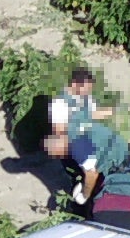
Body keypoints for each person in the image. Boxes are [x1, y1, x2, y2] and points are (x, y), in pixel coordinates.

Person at [70, 116, 130, 231]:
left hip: (115, 164)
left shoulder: (77, 142)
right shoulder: (90, 127)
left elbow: (92, 174)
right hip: (120, 157)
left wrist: (84, 196)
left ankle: (88, 216)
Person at [41, 65, 110, 209]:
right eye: (85, 89)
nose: (88, 93)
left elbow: (93, 115)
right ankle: (81, 202)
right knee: (84, 177)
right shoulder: (60, 104)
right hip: (73, 147)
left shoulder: (85, 98)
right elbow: (60, 131)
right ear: (74, 85)